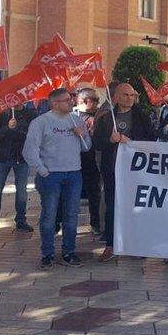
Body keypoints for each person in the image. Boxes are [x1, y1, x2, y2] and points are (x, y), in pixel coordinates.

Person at [22, 88, 91, 269]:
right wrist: (43, 171)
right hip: (51, 175)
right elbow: (29, 150)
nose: (72, 102)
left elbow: (87, 147)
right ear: (54, 103)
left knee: (71, 215)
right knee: (49, 215)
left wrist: (82, 135)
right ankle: (48, 254)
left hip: (74, 173)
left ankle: (69, 251)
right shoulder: (41, 122)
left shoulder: (76, 120)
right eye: (67, 99)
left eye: (71, 98)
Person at [93, 83, 156, 263]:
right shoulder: (106, 117)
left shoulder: (142, 117)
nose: (130, 98)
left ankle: (136, 244)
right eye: (126, 95)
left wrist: (126, 140)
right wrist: (109, 140)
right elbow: (96, 143)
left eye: (132, 95)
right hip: (112, 169)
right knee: (112, 205)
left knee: (136, 207)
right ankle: (111, 245)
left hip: (136, 171)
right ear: (117, 97)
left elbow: (150, 140)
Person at [0, 104, 37, 235]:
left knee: (22, 191)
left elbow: (33, 135)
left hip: (21, 157)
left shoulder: (30, 114)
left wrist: (17, 130)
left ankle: (21, 220)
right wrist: (8, 128)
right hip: (0, 158)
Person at [73, 87, 103, 236]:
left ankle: (95, 223)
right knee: (71, 194)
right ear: (84, 101)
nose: (98, 103)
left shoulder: (101, 115)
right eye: (95, 100)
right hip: (75, 161)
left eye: (98, 100)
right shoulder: (72, 116)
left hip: (93, 161)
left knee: (94, 193)